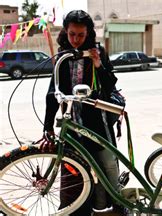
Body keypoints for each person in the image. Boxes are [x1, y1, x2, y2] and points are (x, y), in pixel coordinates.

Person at [42, 10, 122, 215]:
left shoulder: (98, 52)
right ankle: (75, 210)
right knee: (76, 172)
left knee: (108, 166)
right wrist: (47, 127)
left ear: (89, 34)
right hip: (72, 125)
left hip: (99, 123)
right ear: (65, 32)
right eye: (72, 34)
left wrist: (98, 63)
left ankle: (116, 206)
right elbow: (53, 93)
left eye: (81, 35)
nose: (76, 39)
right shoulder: (62, 56)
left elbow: (111, 84)